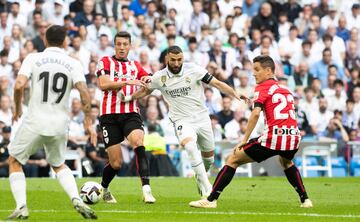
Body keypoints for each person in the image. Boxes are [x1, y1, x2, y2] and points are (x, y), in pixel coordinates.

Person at [189, 55, 313, 208]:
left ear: (268, 71)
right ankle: (305, 200)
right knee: (286, 161)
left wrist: (244, 139)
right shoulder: (286, 89)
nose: (253, 73)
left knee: (232, 159)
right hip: (294, 137)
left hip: (274, 137)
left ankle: (210, 200)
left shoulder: (262, 87)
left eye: (257, 69)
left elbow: (255, 114)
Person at [125, 46, 248, 197]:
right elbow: (145, 90)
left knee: (208, 160)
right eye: (173, 60)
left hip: (202, 119)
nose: (176, 63)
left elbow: (217, 83)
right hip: (181, 120)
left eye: (179, 60)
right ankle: (208, 187)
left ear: (183, 58)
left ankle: (200, 177)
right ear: (167, 60)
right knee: (190, 146)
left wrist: (235, 94)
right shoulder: (159, 77)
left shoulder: (194, 69)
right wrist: (129, 98)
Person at [7, 25, 97, 219]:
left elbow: (19, 85)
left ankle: (22, 206)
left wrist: (17, 108)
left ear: (45, 40)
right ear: (65, 42)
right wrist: (88, 122)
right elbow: (83, 92)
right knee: (58, 164)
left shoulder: (33, 58)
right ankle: (76, 198)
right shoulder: (73, 63)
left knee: (14, 161)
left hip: (35, 120)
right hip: (59, 124)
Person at [96, 31, 155, 204]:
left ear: (130, 46)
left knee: (138, 142)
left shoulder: (135, 66)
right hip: (109, 116)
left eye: (125, 44)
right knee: (116, 164)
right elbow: (103, 84)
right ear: (114, 45)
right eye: (119, 44)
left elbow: (147, 81)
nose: (122, 47)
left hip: (130, 113)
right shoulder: (105, 61)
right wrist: (126, 82)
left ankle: (147, 190)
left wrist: (147, 81)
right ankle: (104, 188)